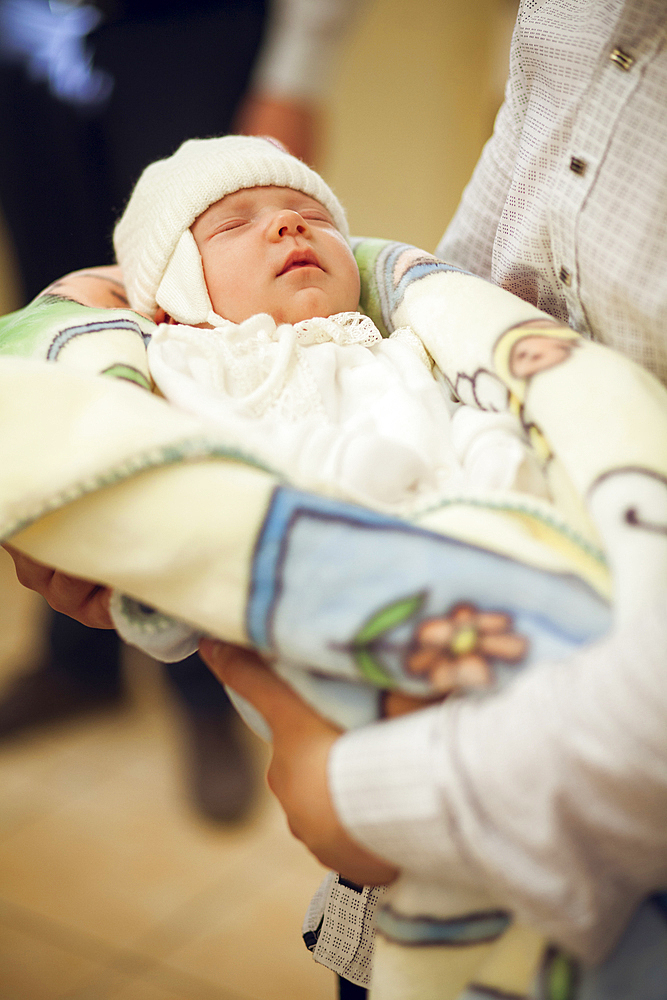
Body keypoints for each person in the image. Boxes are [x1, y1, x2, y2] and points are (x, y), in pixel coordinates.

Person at [193, 1, 667, 995]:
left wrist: (356, 794)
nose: (284, 225)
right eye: (232, 225)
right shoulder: (211, 370)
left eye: (306, 212)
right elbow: (466, 285)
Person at [0, 0, 357, 823]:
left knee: (210, 280)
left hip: (188, 25)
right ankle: (79, 655)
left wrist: (296, 67)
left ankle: (205, 685)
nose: (290, 228)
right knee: (63, 310)